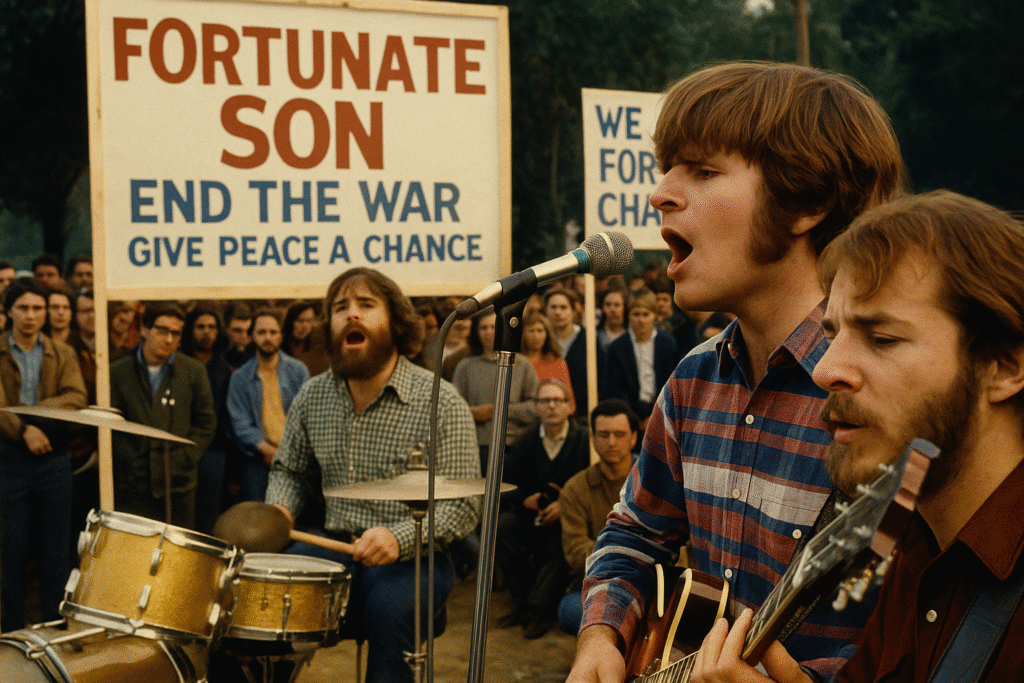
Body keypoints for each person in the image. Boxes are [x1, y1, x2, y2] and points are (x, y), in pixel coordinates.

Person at [567, 60, 905, 683]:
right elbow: (634, 534)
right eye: (666, 169)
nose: (660, 192)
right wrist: (601, 634)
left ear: (805, 202)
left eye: (701, 170)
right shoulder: (693, 380)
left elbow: (909, 640)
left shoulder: (884, 400)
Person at [692, 193, 1024, 682]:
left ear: (1005, 366)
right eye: (832, 335)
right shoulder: (911, 543)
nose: (826, 369)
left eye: (882, 338)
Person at [265, 267, 480, 683]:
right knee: (262, 597)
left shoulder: (441, 400)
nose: (351, 315)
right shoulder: (313, 395)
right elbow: (291, 470)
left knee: (388, 612)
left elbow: (463, 505)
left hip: (415, 558)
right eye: (340, 308)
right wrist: (280, 508)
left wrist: (397, 538)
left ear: (396, 323)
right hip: (333, 546)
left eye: (366, 305)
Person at [0, 277, 87, 631]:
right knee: (11, 549)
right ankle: (10, 631)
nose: (31, 316)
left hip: (53, 457)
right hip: (8, 456)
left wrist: (27, 413)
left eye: (38, 308)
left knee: (56, 552)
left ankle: (54, 628)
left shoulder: (62, 352)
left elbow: (76, 397)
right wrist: (22, 429)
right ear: (8, 311)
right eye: (23, 308)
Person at [496, 378, 590, 639]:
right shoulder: (526, 441)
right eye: (544, 401)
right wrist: (526, 497)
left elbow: (591, 480)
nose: (551, 407)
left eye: (557, 401)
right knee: (503, 528)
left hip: (569, 517)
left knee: (560, 544)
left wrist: (565, 504)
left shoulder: (583, 440)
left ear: (569, 406)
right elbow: (508, 483)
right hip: (533, 515)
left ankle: (539, 610)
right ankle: (524, 601)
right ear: (535, 407)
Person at [109, 302, 217, 528]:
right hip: (132, 486)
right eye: (162, 331)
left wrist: (185, 457)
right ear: (144, 330)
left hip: (178, 485)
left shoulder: (193, 371)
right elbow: (109, 423)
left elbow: (206, 422)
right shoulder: (117, 372)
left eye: (176, 333)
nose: (169, 340)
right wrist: (131, 460)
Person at [557, 399, 638, 635]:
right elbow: (575, 551)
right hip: (601, 584)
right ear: (592, 438)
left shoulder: (654, 481)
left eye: (619, 434)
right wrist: (630, 560)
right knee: (570, 610)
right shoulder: (575, 489)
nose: (611, 442)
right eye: (603, 434)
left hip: (655, 582)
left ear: (633, 438)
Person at [227, 308, 309, 502]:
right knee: (255, 511)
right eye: (261, 332)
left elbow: (308, 417)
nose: (268, 338)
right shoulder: (240, 377)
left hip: (295, 453)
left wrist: (286, 454)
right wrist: (268, 451)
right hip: (260, 455)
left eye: (273, 332)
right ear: (251, 336)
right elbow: (241, 425)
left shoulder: (298, 371)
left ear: (281, 336)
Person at [451, 307, 538, 471]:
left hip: (514, 446)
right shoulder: (466, 366)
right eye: (483, 327)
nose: (488, 332)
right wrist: (472, 413)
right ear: (476, 331)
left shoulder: (522, 364)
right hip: (476, 447)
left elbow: (535, 408)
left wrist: (496, 410)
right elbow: (453, 407)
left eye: (494, 327)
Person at [605, 288, 680, 435]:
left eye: (646, 314)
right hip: (629, 413)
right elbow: (615, 387)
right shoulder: (618, 347)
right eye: (636, 314)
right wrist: (634, 417)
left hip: (662, 411)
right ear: (628, 316)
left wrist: (656, 415)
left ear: (654, 316)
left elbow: (672, 382)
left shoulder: (667, 343)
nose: (641, 320)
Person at [545, 287, 603, 421]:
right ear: (546, 310)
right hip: (548, 414)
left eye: (563, 307)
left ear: (573, 311)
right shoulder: (541, 342)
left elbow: (601, 379)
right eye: (553, 307)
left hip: (582, 416)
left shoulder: (589, 341)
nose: (558, 312)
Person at [520, 310, 576, 413]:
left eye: (540, 331)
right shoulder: (517, 364)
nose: (536, 336)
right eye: (531, 331)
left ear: (547, 334)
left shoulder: (558, 363)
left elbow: (570, 403)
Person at [281, 299, 329, 376]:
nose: (305, 326)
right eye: (300, 321)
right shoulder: (280, 347)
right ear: (290, 322)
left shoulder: (319, 348)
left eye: (309, 321)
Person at [595, 288, 627, 354]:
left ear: (624, 307)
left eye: (617, 305)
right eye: (608, 305)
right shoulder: (595, 336)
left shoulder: (631, 335)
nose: (612, 309)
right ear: (602, 308)